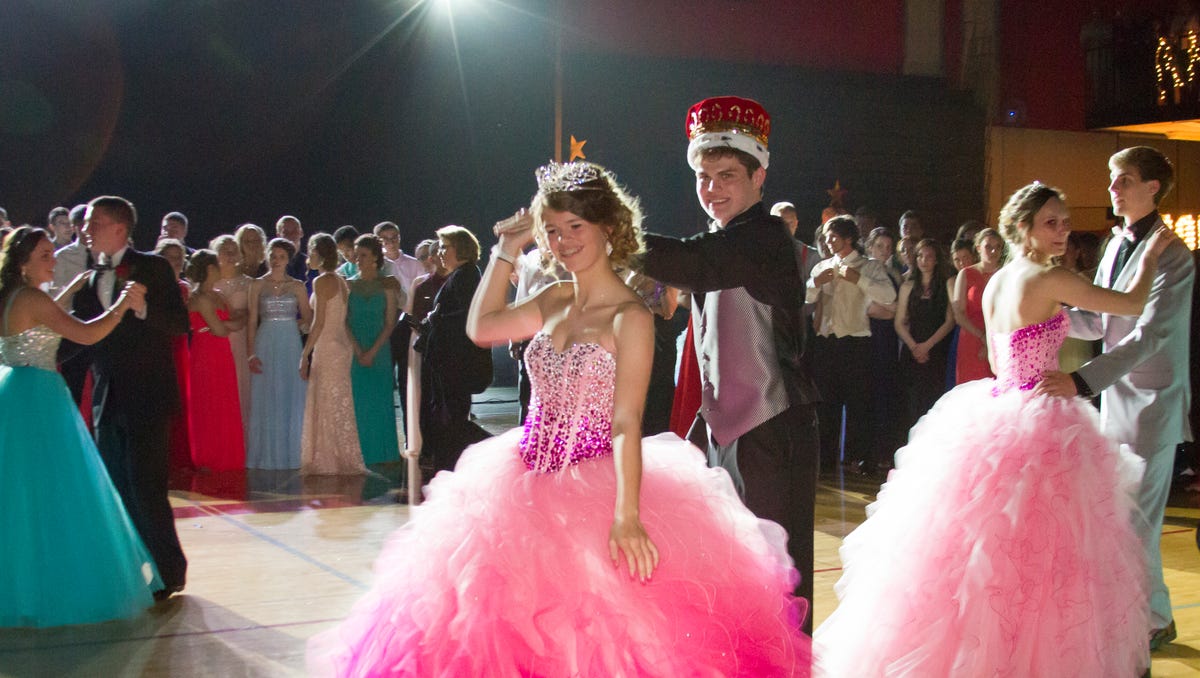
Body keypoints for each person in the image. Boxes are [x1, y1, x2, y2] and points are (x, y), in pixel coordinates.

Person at [307, 161, 811, 676]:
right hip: (520, 481)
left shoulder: (629, 317)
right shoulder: (553, 298)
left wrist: (627, 515)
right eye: (552, 230)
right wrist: (506, 249)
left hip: (594, 486)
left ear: (608, 228)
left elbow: (625, 424)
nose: (564, 241)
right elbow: (481, 328)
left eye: (576, 227)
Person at [814, 182, 1174, 677]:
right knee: (1042, 554)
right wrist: (1154, 250)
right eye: (1051, 222)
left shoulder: (1001, 278)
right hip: (1040, 416)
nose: (1063, 230)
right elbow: (1131, 304)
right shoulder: (1049, 278)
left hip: (996, 407)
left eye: (1066, 221)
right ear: (1022, 228)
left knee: (986, 554)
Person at [638, 96, 820, 626]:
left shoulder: (764, 237)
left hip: (773, 425)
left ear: (760, 176)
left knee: (778, 576)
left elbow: (691, 264)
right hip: (729, 429)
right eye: (703, 176)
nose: (712, 189)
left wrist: (607, 230)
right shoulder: (727, 239)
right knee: (738, 568)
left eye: (727, 175)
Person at [1038, 147, 1196, 651]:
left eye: (1123, 179)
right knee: (1120, 515)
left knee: (1138, 521)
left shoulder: (1173, 253)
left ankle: (1147, 620)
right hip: (1116, 396)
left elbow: (1149, 335)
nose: (1112, 189)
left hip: (1151, 400)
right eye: (1112, 179)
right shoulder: (1113, 244)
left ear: (1153, 187)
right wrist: (1044, 318)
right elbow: (1101, 320)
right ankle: (1154, 615)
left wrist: (1082, 381)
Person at [0, 227, 162, 627]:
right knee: (58, 493)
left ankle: (20, 587)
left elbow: (37, 319)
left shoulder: (12, 298)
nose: (52, 259)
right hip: (39, 399)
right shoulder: (34, 300)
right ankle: (54, 587)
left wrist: (71, 287)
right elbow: (87, 333)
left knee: (19, 497)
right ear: (22, 264)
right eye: (43, 255)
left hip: (12, 394)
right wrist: (123, 305)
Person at [59, 196, 189, 600]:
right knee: (116, 488)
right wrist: (40, 360)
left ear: (118, 228)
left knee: (147, 488)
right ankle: (134, 567)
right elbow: (78, 340)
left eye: (93, 222)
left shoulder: (153, 266)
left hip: (148, 398)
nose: (85, 228)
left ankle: (171, 572)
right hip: (106, 399)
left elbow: (180, 324)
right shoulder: (86, 274)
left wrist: (145, 307)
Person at [807, 216, 898, 476]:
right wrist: (815, 283)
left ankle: (860, 459)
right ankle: (825, 460)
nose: (827, 241)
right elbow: (804, 296)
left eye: (833, 236)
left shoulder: (868, 267)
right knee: (826, 403)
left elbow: (889, 296)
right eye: (825, 237)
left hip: (856, 342)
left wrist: (859, 279)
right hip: (826, 343)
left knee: (859, 402)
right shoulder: (823, 266)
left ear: (848, 238)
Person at [412, 225, 492, 474]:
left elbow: (467, 316)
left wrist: (436, 318)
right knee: (448, 420)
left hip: (456, 363)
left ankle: (491, 451)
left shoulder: (466, 275)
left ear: (461, 249)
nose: (440, 253)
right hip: (449, 362)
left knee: (452, 421)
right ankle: (451, 464)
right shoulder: (460, 275)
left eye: (445, 247)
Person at [300, 234, 366, 475]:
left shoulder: (323, 281)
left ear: (320, 254)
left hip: (327, 346)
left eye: (311, 252)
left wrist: (304, 354)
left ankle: (328, 459)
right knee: (336, 400)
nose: (309, 258)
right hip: (340, 345)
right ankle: (339, 455)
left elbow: (318, 324)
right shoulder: (340, 280)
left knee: (327, 400)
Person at [246, 238, 311, 470]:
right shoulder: (256, 285)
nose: (276, 260)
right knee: (266, 394)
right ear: (267, 256)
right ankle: (266, 455)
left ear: (288, 260)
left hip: (289, 343)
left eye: (281, 257)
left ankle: (291, 454)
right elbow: (252, 320)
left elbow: (308, 318)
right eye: (273, 256)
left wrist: (296, 328)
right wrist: (251, 353)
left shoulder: (297, 286)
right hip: (265, 340)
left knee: (288, 392)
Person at [186, 250, 247, 472]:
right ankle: (208, 455)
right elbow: (222, 329)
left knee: (224, 398)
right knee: (209, 400)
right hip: (206, 353)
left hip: (222, 352)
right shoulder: (200, 298)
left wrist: (229, 323)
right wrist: (230, 323)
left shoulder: (218, 296)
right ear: (210, 269)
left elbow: (238, 321)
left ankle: (225, 451)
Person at [347, 233, 401, 465]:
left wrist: (371, 351)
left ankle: (382, 452)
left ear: (375, 258)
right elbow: (344, 321)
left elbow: (390, 322)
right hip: (354, 347)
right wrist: (358, 350)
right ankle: (359, 453)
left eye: (363, 255)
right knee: (358, 401)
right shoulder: (348, 285)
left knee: (379, 401)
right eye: (356, 255)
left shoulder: (387, 285)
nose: (357, 259)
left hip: (379, 349)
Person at [894, 238, 956, 428]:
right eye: (920, 255)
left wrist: (927, 346)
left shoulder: (946, 285)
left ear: (937, 260)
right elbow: (899, 323)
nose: (924, 260)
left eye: (929, 256)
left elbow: (950, 321)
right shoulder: (908, 286)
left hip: (936, 350)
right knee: (911, 402)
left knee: (934, 399)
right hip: (912, 349)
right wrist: (914, 347)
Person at [156, 238, 193, 473]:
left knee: (180, 402)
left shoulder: (185, 288)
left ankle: (180, 458)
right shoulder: (153, 286)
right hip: (159, 350)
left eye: (179, 257)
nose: (176, 261)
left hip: (180, 349)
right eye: (170, 257)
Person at [211, 234, 252, 434]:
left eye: (233, 250)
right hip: (215, 342)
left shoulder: (249, 284)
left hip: (241, 343)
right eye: (224, 250)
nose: (229, 254)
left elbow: (252, 316)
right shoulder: (210, 284)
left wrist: (239, 319)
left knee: (241, 388)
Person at [953, 228, 1004, 384]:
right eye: (988, 246)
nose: (993, 250)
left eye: (998, 247)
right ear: (978, 248)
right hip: (972, 336)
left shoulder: (1005, 275)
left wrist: (991, 340)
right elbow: (959, 314)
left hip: (999, 336)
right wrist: (982, 337)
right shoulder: (966, 273)